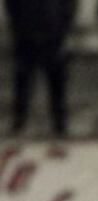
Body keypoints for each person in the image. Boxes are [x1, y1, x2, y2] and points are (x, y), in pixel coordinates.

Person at [3, 0, 77, 136]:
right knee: (49, 80)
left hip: (41, 32)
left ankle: (24, 121)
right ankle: (55, 122)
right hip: (40, 31)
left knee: (46, 80)